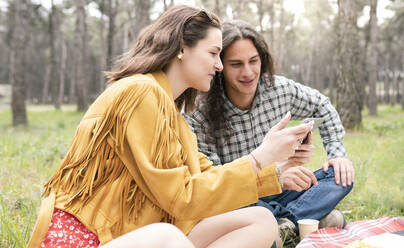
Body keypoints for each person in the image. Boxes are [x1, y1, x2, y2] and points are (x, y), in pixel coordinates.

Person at [27, 6, 316, 248]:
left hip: (136, 231)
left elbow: (206, 179)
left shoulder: (172, 114)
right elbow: (183, 198)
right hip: (89, 238)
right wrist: (260, 156)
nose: (219, 66)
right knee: (169, 237)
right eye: (213, 53)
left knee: (261, 220)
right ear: (181, 48)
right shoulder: (140, 93)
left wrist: (276, 171)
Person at [184, 19, 354, 242]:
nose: (248, 72)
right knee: (235, 206)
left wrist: (337, 155)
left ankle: (287, 224)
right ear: (220, 66)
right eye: (236, 64)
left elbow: (323, 105)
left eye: (253, 61)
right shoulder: (200, 112)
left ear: (262, 59)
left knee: (340, 176)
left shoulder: (279, 89)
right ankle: (308, 220)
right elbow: (214, 184)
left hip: (283, 189)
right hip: (241, 197)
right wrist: (277, 174)